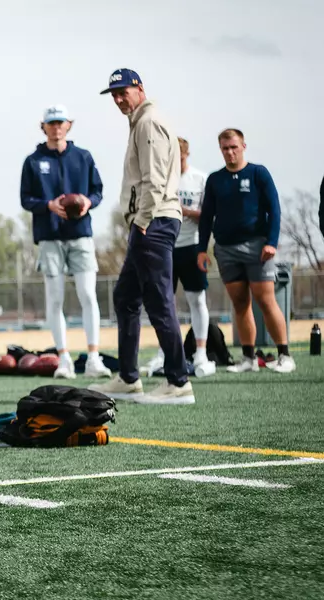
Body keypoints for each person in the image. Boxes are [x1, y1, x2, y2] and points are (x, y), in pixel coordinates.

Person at [88, 69, 194, 405]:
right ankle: (129, 378)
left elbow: (156, 178)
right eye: (114, 94)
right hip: (151, 221)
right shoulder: (140, 121)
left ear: (140, 89)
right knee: (125, 297)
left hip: (154, 220)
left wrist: (144, 219)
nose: (119, 99)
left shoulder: (148, 122)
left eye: (124, 92)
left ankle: (178, 382)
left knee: (159, 300)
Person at [20, 104, 109, 379]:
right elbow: (26, 199)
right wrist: (48, 205)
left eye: (60, 122)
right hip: (49, 237)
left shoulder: (83, 157)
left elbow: (98, 191)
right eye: (51, 123)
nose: (56, 127)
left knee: (87, 295)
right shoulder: (33, 161)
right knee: (55, 299)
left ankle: (94, 357)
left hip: (80, 234)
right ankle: (64, 359)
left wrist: (86, 202)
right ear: (43, 126)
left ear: (69, 124)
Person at [197, 129, 294, 373]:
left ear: (243, 146)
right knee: (240, 304)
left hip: (257, 247)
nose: (230, 152)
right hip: (226, 249)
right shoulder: (215, 179)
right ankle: (249, 359)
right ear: (221, 150)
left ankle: (285, 355)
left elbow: (274, 209)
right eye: (225, 148)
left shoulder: (258, 173)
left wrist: (271, 241)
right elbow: (207, 216)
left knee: (266, 300)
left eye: (234, 147)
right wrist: (201, 249)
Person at [142, 137, 213, 376]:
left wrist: (183, 211)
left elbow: (209, 215)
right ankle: (165, 352)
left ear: (186, 154)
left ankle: (201, 353)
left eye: (179, 157)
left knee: (197, 300)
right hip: (164, 248)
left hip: (191, 247)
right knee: (164, 304)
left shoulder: (200, 179)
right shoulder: (159, 179)